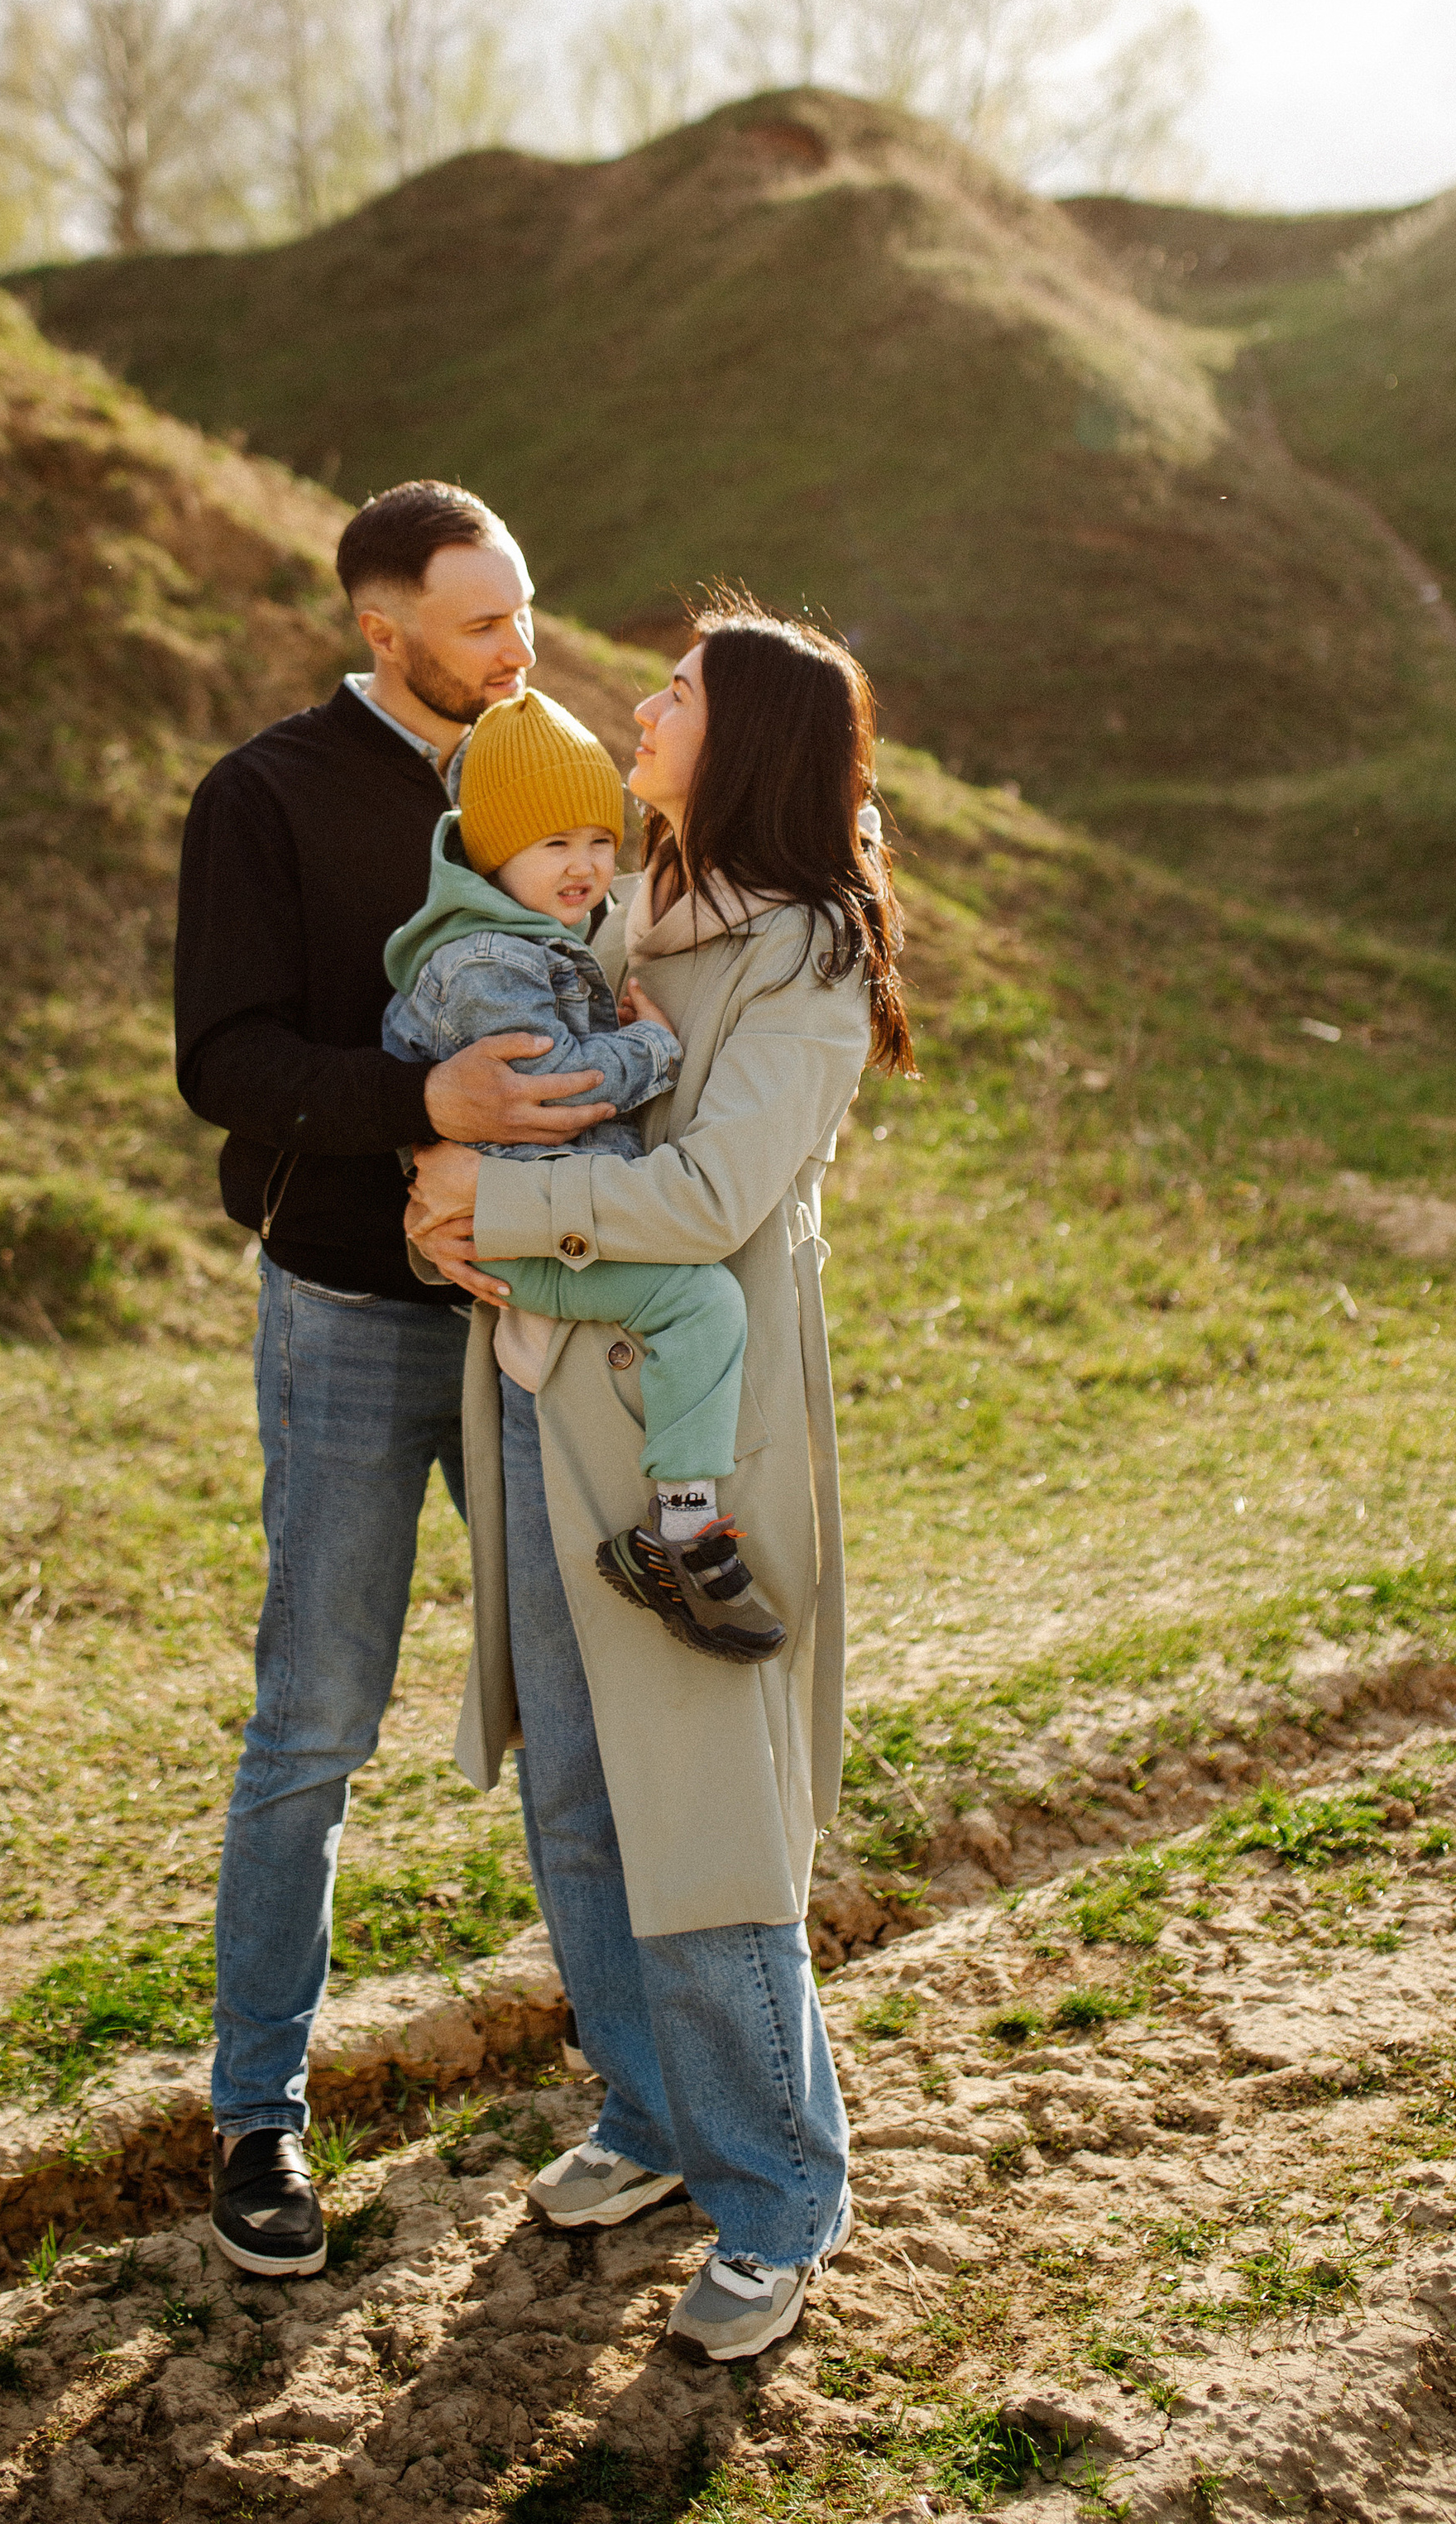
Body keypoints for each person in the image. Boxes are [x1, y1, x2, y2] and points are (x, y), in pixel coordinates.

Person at [406, 597, 914, 2362]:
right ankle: (649, 2115)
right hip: (545, 1408)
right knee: (577, 1808)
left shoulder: (806, 953)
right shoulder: (617, 906)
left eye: (677, 693)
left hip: (691, 1445)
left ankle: (776, 2196)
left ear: (747, 737)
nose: (640, 705)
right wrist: (440, 1194)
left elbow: (706, 1199)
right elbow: (521, 1099)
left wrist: (498, 1204)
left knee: (702, 1826)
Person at [174, 479, 619, 2280]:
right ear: (383, 630)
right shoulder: (265, 796)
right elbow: (225, 1060)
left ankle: (648, 2092)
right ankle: (256, 2115)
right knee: (315, 1725)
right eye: (482, 622)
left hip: (548, 1317)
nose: (521, 648)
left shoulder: (559, 775)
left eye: (525, 610)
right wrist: (421, 1104)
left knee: (588, 1709)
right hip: (353, 1318)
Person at [381, 685, 783, 1662]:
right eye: (553, 843)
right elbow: (549, 1088)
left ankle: (680, 1521)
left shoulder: (530, 939)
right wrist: (652, 1049)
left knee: (694, 1306)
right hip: (521, 1228)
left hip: (531, 1212)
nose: (586, 865)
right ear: (492, 851)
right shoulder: (485, 961)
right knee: (700, 1305)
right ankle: (680, 1531)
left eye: (599, 840)